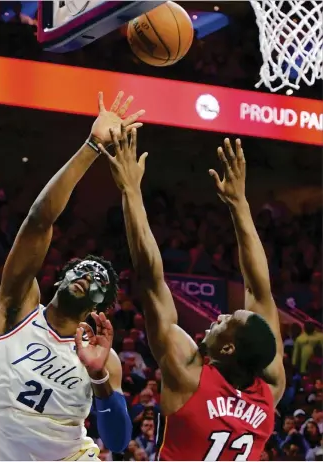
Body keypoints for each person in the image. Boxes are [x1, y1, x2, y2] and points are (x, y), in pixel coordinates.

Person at [0, 92, 144, 461]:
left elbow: (116, 442)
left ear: (101, 303)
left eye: (99, 280)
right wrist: (92, 146)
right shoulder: (18, 307)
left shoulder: (103, 358)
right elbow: (38, 221)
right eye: (81, 269)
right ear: (60, 278)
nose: (87, 275)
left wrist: (99, 377)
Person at [100, 130, 286, 461]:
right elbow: (260, 290)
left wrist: (130, 190)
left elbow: (151, 278)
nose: (220, 316)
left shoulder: (187, 374)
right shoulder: (270, 393)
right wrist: (239, 204)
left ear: (228, 347)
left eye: (228, 320)